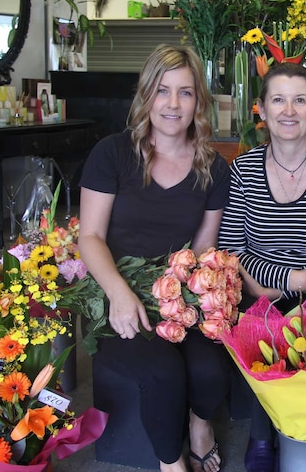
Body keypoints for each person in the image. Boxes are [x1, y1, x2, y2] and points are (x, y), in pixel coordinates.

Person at [79, 45, 231, 472]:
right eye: (163, 91)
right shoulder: (112, 153)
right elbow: (89, 236)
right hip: (118, 289)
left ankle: (201, 427)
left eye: (185, 93)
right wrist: (120, 294)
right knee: (163, 373)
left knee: (211, 369)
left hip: (178, 295)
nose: (173, 104)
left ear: (198, 101)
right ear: (146, 95)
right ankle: (172, 463)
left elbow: (202, 249)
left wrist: (195, 302)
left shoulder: (212, 168)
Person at [218, 62, 306, 472]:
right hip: (255, 292)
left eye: (299, 100)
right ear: (261, 108)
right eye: (278, 100)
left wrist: (282, 286)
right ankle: (262, 434)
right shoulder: (243, 169)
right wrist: (293, 279)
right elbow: (231, 248)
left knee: (302, 331)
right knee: (264, 327)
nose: (288, 110)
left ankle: (303, 432)